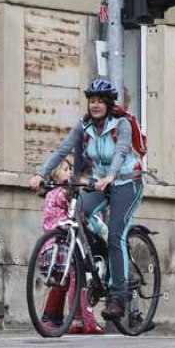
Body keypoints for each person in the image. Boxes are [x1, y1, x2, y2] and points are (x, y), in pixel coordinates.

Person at [29, 78, 144, 322]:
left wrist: (111, 175)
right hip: (101, 182)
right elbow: (63, 149)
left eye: (100, 101)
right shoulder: (84, 126)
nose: (95, 105)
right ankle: (99, 257)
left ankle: (118, 296)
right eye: (92, 100)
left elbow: (122, 151)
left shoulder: (120, 124)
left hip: (126, 181)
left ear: (109, 104)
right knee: (79, 211)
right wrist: (40, 173)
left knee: (116, 235)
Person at [39, 158, 103, 334]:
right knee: (74, 278)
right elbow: (69, 199)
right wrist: (81, 184)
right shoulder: (59, 192)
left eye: (69, 169)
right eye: (65, 169)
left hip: (51, 245)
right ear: (55, 174)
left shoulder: (50, 193)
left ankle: (53, 318)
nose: (68, 172)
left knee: (61, 282)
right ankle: (78, 319)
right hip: (63, 243)